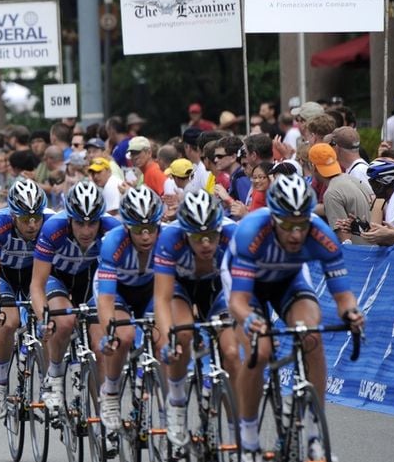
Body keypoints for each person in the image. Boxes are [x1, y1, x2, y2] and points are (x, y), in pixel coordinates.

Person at [226, 174, 364, 462]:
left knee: (311, 336)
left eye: (302, 224)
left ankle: (314, 433)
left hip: (289, 281)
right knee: (260, 351)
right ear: (273, 219)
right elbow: (238, 302)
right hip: (248, 290)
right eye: (288, 225)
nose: (296, 233)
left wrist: (352, 313)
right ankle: (248, 443)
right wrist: (251, 322)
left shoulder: (321, 234)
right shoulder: (251, 233)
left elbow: (343, 296)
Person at [154, 191, 239, 447]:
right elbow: (161, 298)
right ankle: (177, 404)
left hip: (217, 290)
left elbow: (244, 291)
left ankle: (236, 428)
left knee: (232, 354)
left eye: (211, 236)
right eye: (197, 237)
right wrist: (168, 338)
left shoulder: (233, 234)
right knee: (182, 335)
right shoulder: (169, 237)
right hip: (181, 288)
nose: (205, 243)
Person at [30, 181, 120, 413]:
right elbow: (37, 285)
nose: (87, 230)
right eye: (80, 222)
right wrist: (44, 318)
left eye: (92, 223)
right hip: (56, 277)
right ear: (70, 219)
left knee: (101, 346)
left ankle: (104, 412)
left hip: (89, 280)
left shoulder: (112, 228)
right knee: (64, 321)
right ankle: (55, 376)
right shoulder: (53, 229)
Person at [0, 179, 53, 418]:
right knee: (9, 321)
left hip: (37, 275)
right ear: (13, 216)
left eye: (36, 218)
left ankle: (49, 381)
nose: (32, 225)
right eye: (24, 219)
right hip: (6, 276)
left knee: (50, 322)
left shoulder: (52, 223)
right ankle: (0, 381)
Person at [95, 186, 166, 431]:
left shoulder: (167, 240)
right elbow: (105, 299)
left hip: (150, 293)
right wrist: (109, 333)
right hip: (119, 293)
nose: (146, 236)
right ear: (126, 228)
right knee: (123, 337)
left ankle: (167, 403)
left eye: (151, 229)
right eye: (138, 230)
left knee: (164, 338)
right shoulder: (113, 242)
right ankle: (111, 392)